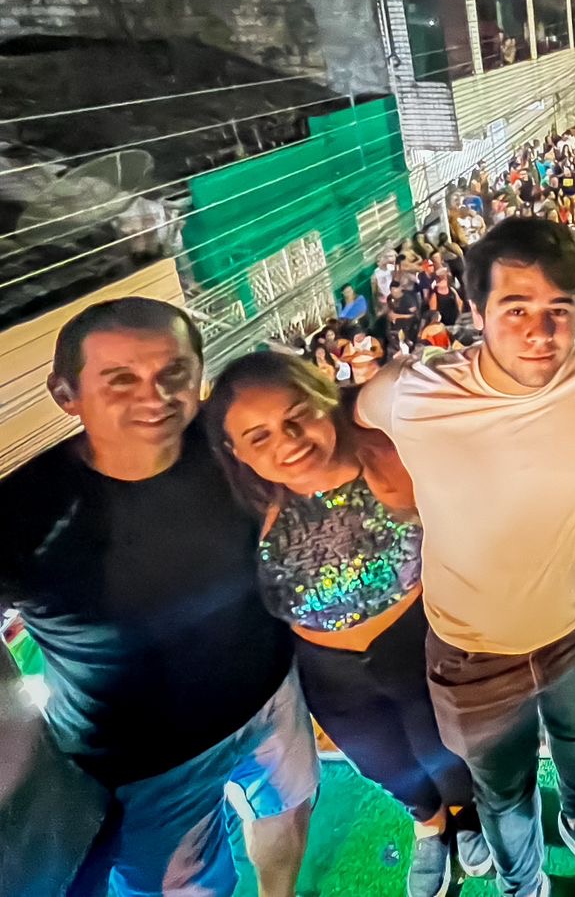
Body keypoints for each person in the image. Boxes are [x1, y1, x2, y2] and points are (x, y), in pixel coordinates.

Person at [357, 218, 575, 897]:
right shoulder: (413, 394)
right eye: (516, 310)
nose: (540, 332)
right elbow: (350, 424)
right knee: (501, 787)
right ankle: (524, 884)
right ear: (475, 311)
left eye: (558, 311)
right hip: (473, 651)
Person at [0, 298, 317, 897]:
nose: (155, 397)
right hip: (142, 764)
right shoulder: (21, 514)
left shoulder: (232, 441)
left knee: (288, 813)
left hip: (272, 698)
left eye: (174, 373)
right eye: (120, 380)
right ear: (66, 394)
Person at [208, 352, 489, 896]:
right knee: (385, 764)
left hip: (423, 643)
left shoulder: (391, 451)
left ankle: (467, 814)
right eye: (259, 437)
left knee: (451, 754)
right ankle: (429, 825)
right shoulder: (240, 504)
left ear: (325, 398)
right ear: (234, 452)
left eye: (297, 416)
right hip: (329, 673)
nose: (288, 442)